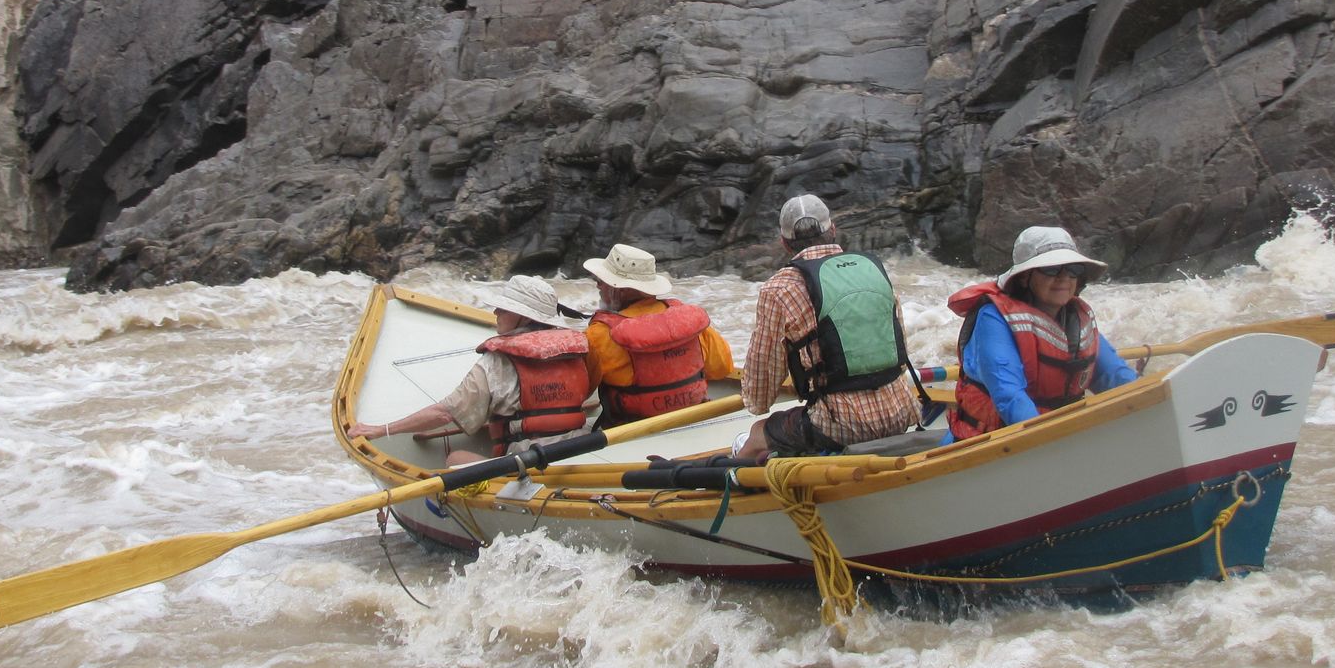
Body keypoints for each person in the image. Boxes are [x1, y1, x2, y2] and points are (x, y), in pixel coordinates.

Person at [732, 194, 924, 461]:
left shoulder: (779, 288)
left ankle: (733, 488)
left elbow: (759, 396)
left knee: (757, 433)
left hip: (842, 425)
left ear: (785, 243)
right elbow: (899, 355)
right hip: (903, 409)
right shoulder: (873, 269)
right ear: (833, 230)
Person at [346, 275, 592, 464]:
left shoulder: (498, 362)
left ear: (524, 317)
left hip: (529, 459)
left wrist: (382, 430)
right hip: (579, 449)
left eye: (503, 309)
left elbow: (444, 414)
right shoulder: (576, 351)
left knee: (455, 459)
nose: (495, 312)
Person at [944, 225, 1139, 441]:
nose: (1064, 277)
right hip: (998, 441)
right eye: (1051, 269)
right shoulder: (993, 318)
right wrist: (1050, 440)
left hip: (1062, 434)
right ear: (1024, 277)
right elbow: (1009, 396)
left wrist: (1145, 398)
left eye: (1073, 269)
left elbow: (1114, 376)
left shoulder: (1076, 318)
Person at [581, 242, 737, 427]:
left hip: (632, 431)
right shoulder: (687, 321)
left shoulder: (599, 334)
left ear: (618, 290)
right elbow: (722, 368)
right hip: (694, 420)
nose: (598, 285)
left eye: (601, 280)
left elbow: (582, 391)